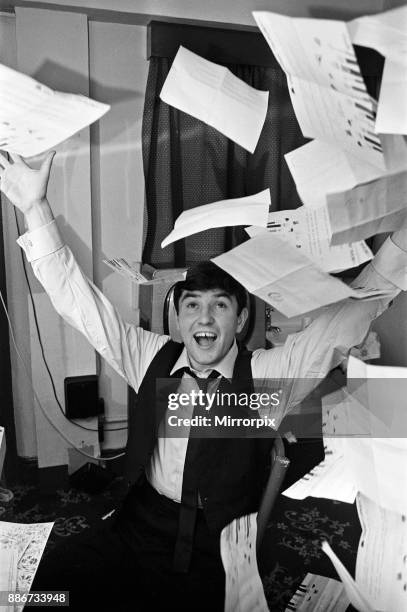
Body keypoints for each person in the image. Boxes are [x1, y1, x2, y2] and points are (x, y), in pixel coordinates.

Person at [0, 151, 406, 611]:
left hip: (216, 546)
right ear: (178, 316)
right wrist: (35, 209)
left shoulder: (264, 378)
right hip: (138, 525)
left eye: (220, 305)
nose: (204, 317)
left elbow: (340, 325)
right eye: (192, 304)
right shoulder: (152, 357)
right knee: (47, 590)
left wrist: (400, 247)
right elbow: (81, 306)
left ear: (241, 317)